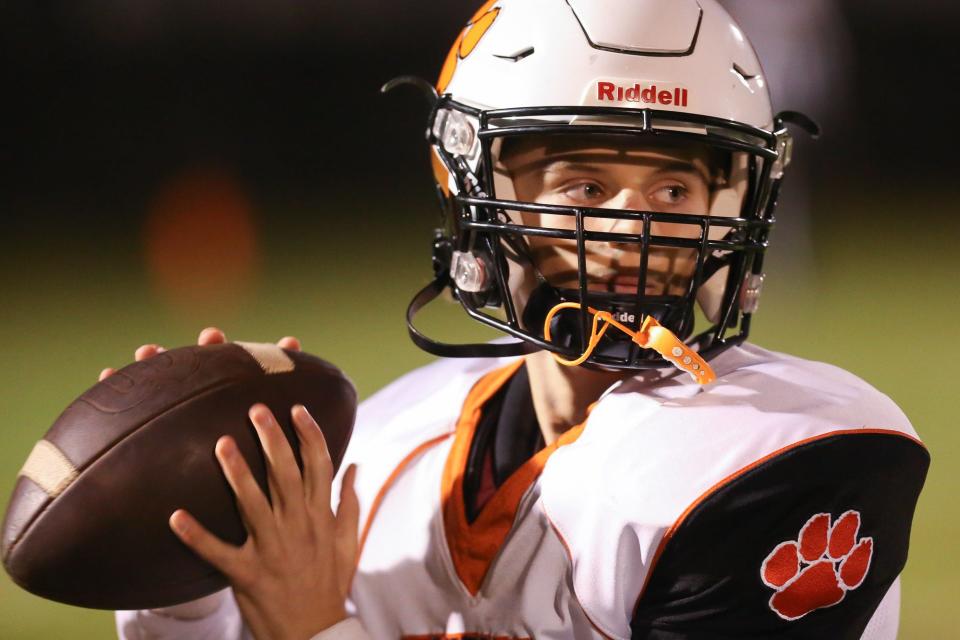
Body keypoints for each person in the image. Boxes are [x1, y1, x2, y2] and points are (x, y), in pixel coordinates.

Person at [113, 1, 928, 638]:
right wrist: (179, 580)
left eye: (673, 191)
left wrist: (316, 627)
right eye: (584, 188)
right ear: (478, 198)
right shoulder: (391, 441)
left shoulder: (785, 456)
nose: (631, 228)